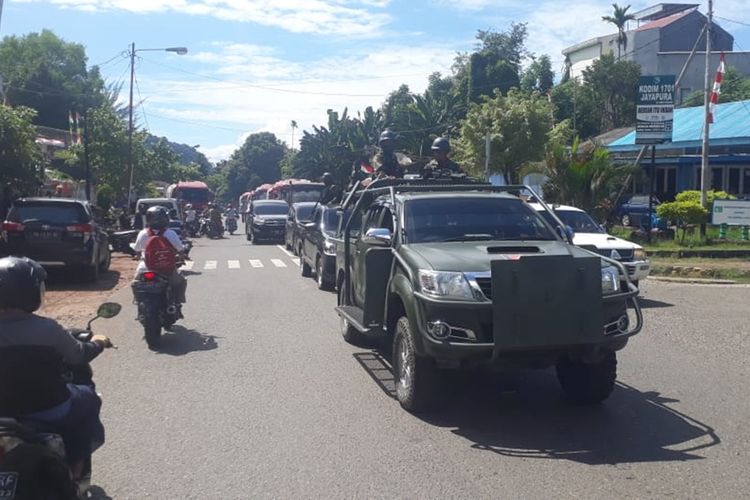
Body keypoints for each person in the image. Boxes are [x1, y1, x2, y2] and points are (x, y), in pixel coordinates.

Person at [0, 256, 112, 479]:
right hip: (50, 410)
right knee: (89, 398)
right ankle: (76, 473)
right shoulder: (47, 329)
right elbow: (78, 355)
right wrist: (98, 342)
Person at [133, 207, 187, 312]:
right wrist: (181, 257)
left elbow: (137, 251)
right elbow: (180, 250)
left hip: (146, 267)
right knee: (180, 282)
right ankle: (177, 303)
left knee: (135, 283)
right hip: (167, 268)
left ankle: (138, 301)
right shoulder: (170, 233)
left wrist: (138, 256)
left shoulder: (142, 233)